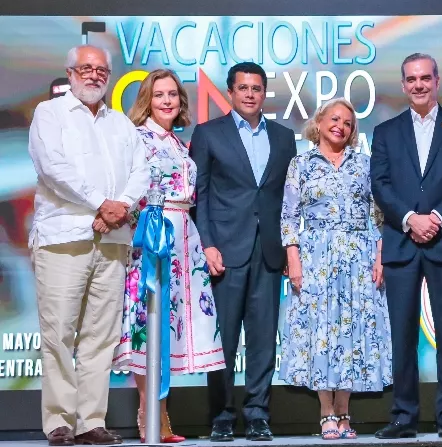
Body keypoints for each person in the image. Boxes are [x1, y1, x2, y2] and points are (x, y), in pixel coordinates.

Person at [28, 44, 150, 446]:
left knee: (101, 336)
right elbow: (53, 168)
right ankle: (59, 422)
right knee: (59, 332)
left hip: (112, 240)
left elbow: (141, 172)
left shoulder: (121, 124)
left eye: (101, 70)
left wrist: (120, 206)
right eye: (86, 68)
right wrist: (101, 203)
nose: (94, 75)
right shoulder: (50, 113)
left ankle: (90, 421)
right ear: (70, 73)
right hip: (63, 237)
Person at [109, 69, 226, 443]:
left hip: (183, 237)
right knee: (148, 325)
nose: (166, 101)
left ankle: (160, 414)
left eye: (172, 94)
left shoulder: (178, 142)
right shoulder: (135, 138)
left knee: (169, 328)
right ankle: (150, 416)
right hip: (153, 235)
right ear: (147, 99)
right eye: (159, 94)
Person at [370, 53, 442, 439]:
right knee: (402, 335)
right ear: (403, 85)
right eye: (411, 79)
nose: (418, 85)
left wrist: (435, 218)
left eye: (425, 78)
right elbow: (380, 184)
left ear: (437, 81)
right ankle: (404, 417)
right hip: (401, 243)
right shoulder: (385, 132)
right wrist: (409, 219)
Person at [190, 61, 298, 442]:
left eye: (256, 88)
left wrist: (289, 248)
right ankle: (221, 416)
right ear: (230, 92)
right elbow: (199, 194)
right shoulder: (208, 134)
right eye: (243, 88)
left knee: (264, 339)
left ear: (264, 93)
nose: (250, 94)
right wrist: (207, 244)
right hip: (224, 250)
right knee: (223, 340)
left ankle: (257, 415)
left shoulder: (284, 137)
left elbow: (289, 199)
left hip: (268, 251)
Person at [279, 98, 393, 440]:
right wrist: (293, 259)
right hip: (315, 258)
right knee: (320, 332)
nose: (340, 126)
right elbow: (288, 216)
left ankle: (344, 409)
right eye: (334, 119)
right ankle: (325, 411)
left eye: (347, 122)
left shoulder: (365, 164)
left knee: (351, 332)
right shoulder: (301, 164)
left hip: (358, 257)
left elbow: (380, 215)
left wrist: (380, 256)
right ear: (319, 122)